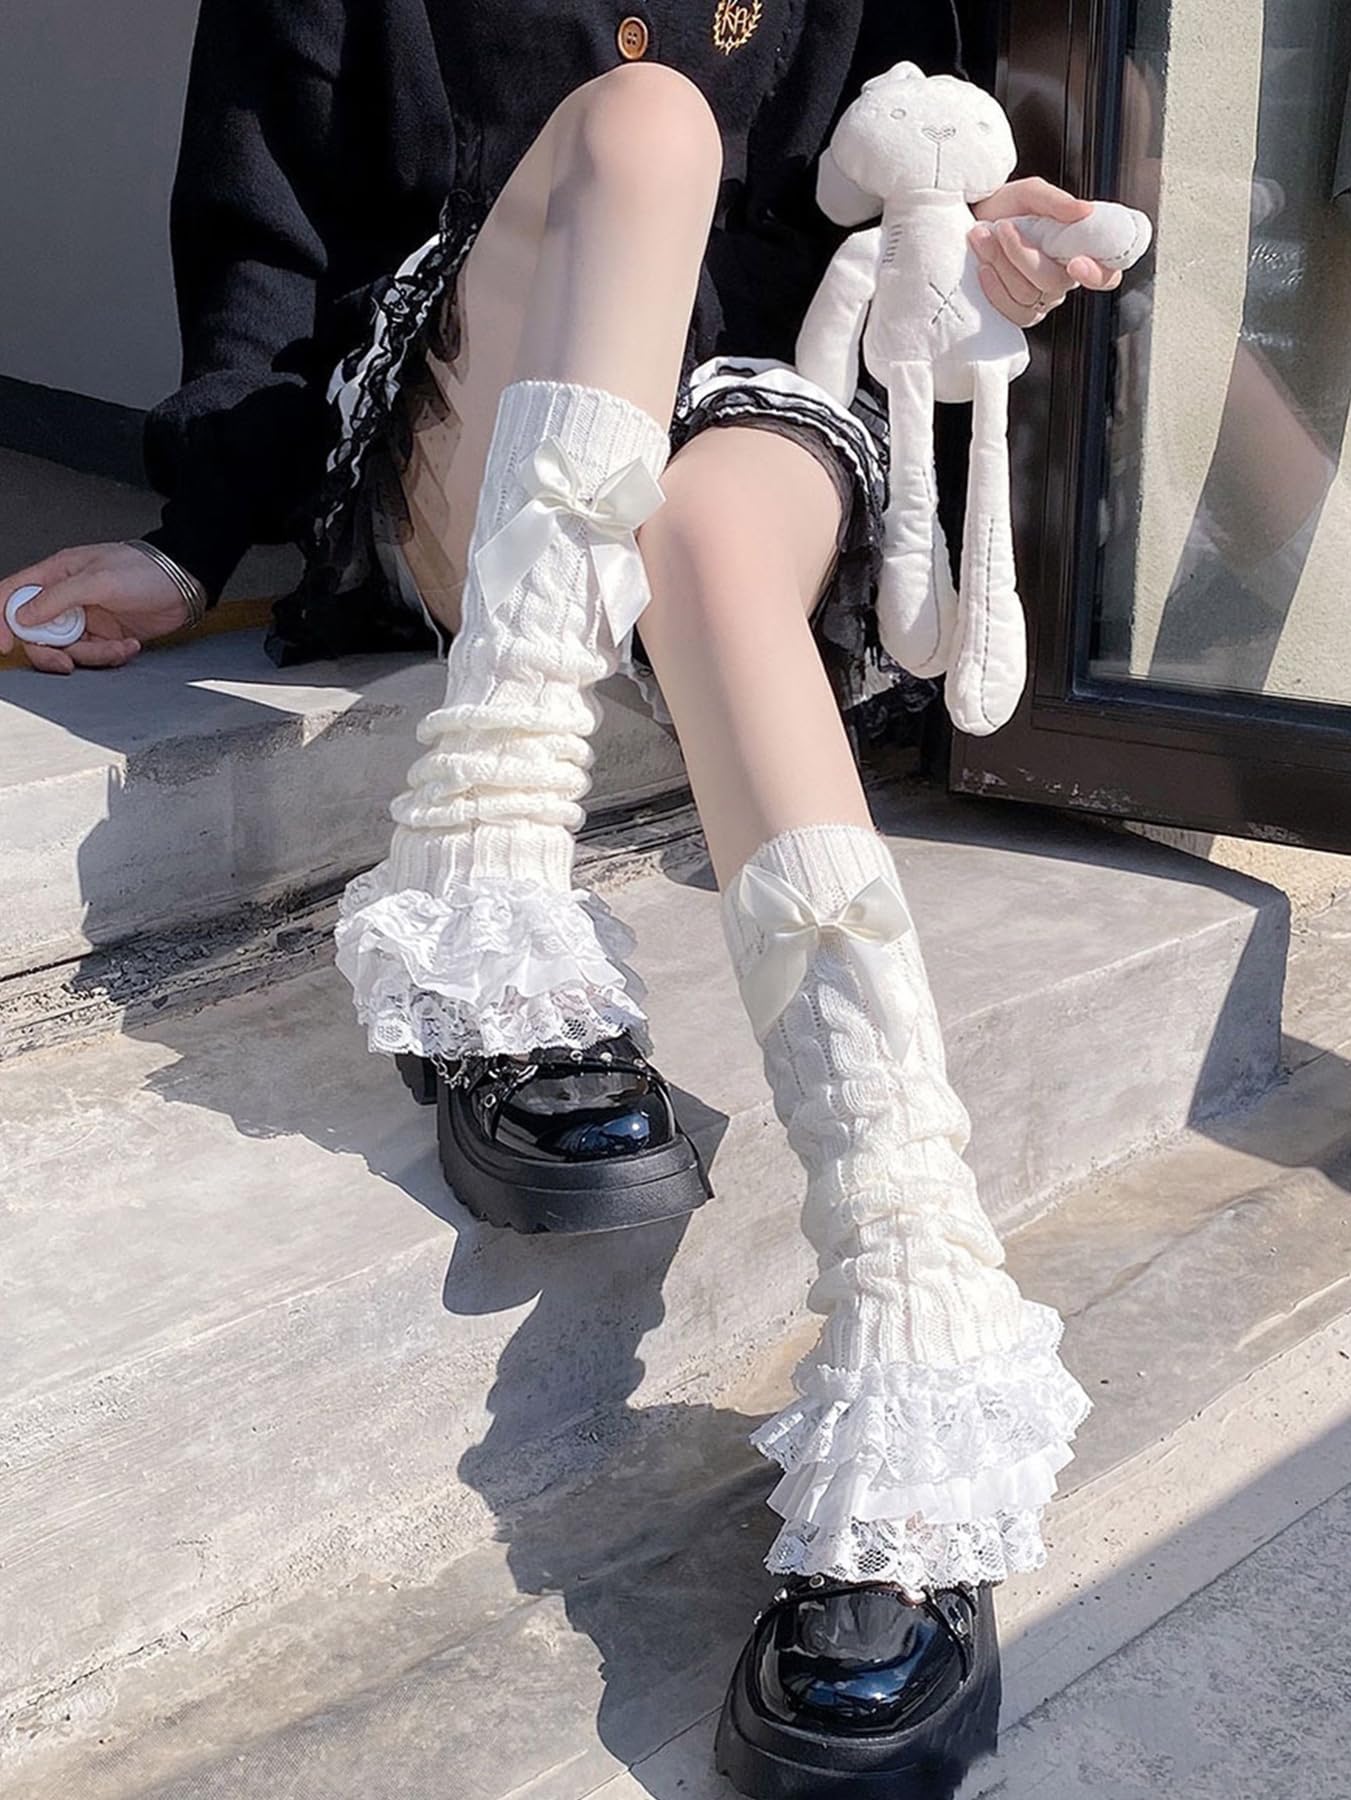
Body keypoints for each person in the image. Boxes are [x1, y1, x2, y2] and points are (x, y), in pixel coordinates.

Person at [0, 5, 1122, 1793]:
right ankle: (492, 839)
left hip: (742, 407)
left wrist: (980, 234)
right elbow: (263, 232)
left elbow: (876, 171)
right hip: (466, 409)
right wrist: (193, 535)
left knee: (707, 533)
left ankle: (920, 1308)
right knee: (647, 121)